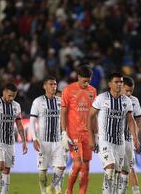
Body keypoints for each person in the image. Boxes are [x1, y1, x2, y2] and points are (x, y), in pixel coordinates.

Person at [88, 72, 140, 194]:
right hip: (105, 140)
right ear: (110, 84)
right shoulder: (101, 98)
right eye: (116, 82)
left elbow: (131, 121)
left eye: (121, 82)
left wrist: (136, 139)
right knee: (110, 168)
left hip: (120, 142)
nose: (119, 84)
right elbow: (90, 117)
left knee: (116, 175)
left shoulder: (126, 101)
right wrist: (91, 137)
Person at [60, 65, 97, 194]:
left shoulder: (93, 91)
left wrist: (95, 134)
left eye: (89, 81)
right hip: (73, 134)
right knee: (77, 165)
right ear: (78, 77)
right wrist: (64, 133)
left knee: (86, 166)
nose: (86, 83)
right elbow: (63, 112)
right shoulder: (68, 90)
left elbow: (93, 115)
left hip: (88, 134)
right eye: (84, 81)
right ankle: (69, 190)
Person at [30, 76, 66, 194]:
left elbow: (64, 120)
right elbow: (32, 121)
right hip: (43, 141)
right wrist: (34, 138)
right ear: (44, 86)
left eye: (55, 84)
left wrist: (65, 135)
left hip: (57, 141)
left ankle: (51, 188)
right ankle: (44, 192)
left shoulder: (60, 101)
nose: (53, 86)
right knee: (43, 171)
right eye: (51, 84)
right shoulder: (38, 101)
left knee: (61, 167)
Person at [120, 76, 141, 194]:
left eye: (130, 91)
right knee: (116, 169)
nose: (128, 93)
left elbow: (139, 120)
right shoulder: (110, 99)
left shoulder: (134, 100)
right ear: (120, 87)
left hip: (128, 139)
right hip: (113, 140)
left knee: (130, 168)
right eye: (126, 90)